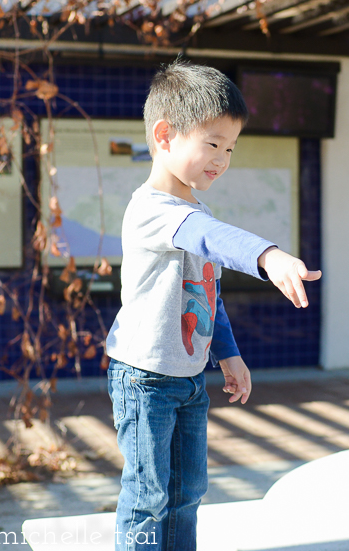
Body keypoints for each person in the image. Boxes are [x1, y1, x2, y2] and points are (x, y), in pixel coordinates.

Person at [105, 60, 321, 550]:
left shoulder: (194, 210)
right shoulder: (153, 210)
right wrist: (268, 255)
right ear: (165, 135)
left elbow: (207, 292)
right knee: (147, 495)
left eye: (230, 148)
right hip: (144, 379)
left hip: (186, 378)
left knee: (187, 493)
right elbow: (211, 239)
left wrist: (228, 353)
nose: (222, 158)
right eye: (213, 143)